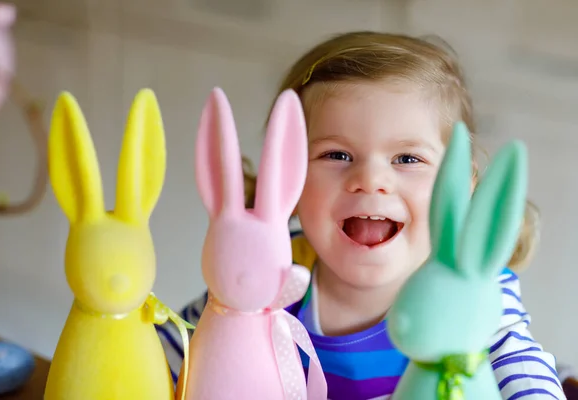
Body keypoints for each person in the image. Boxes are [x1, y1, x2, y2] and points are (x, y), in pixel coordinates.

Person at [157, 31, 564, 399]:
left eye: (407, 158)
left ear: (459, 188)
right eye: (337, 154)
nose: (370, 180)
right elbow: (178, 351)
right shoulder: (271, 281)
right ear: (287, 182)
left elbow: (523, 368)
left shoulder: (469, 290)